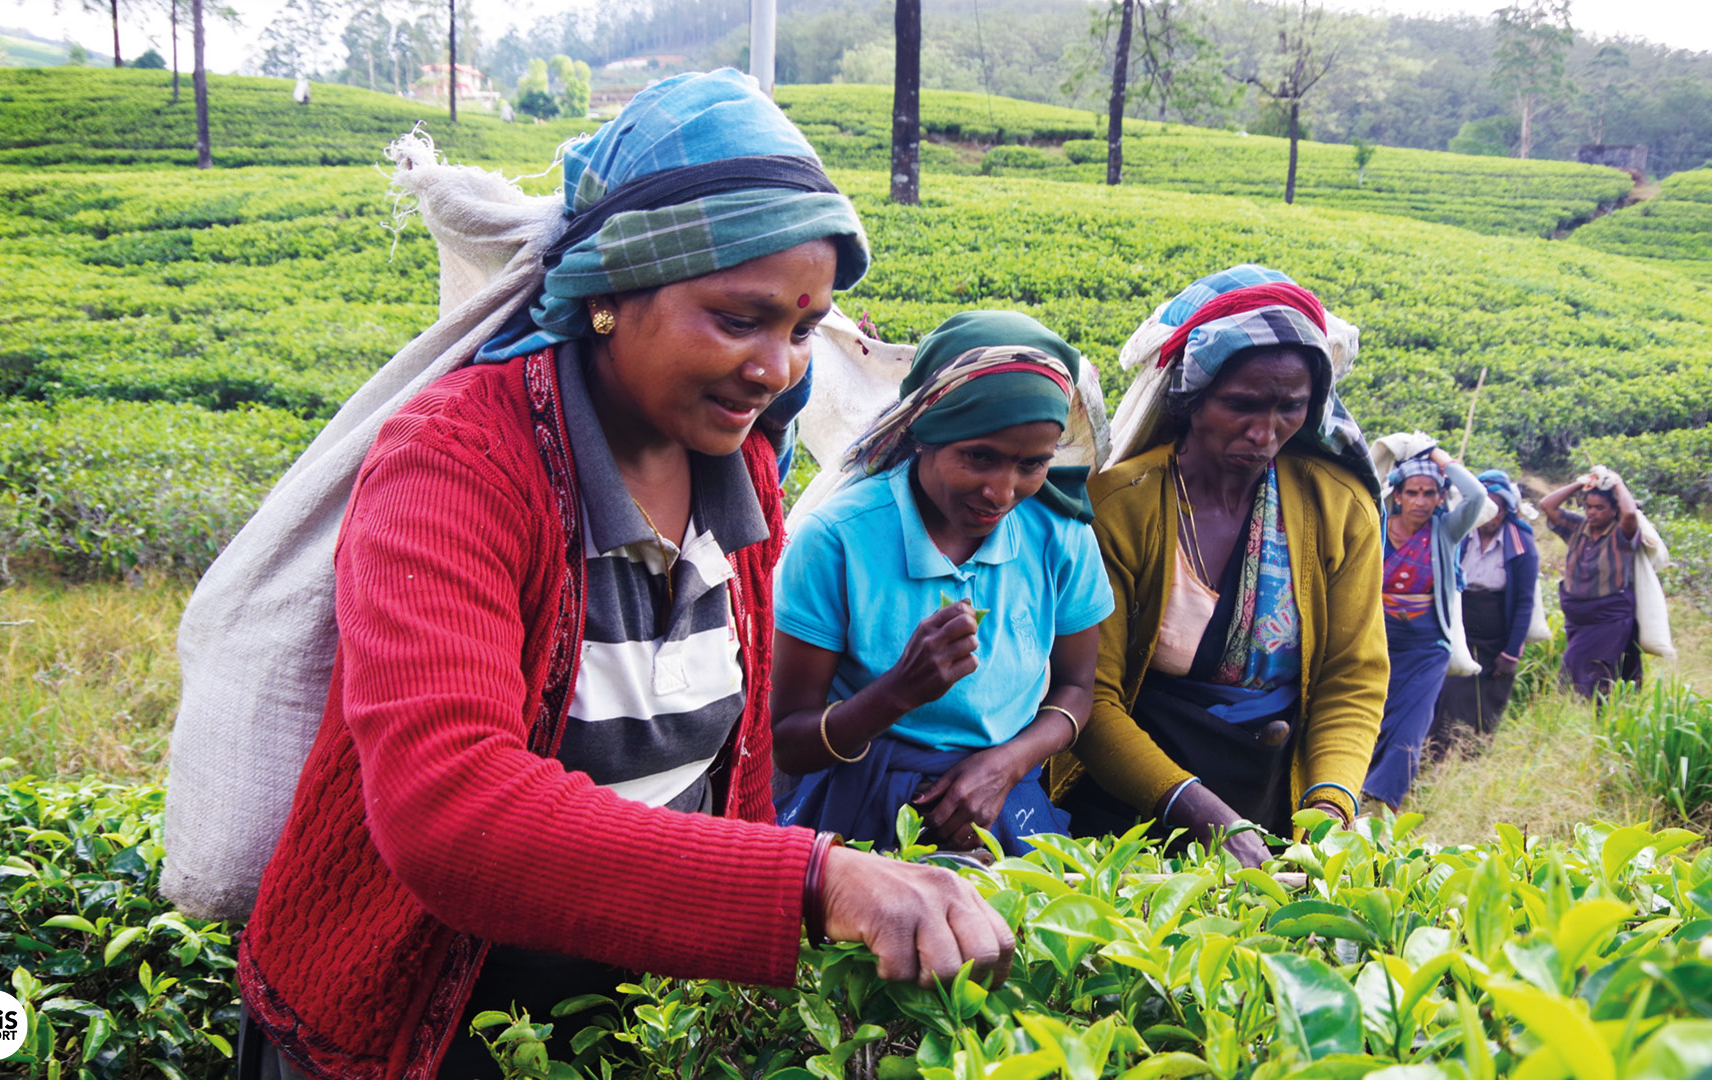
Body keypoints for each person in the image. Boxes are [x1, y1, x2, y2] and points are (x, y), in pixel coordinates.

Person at [234, 71, 1013, 1080]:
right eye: (741, 317)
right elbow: (449, 807)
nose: (779, 367)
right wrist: (813, 883)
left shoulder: (744, 468)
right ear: (611, 293)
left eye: (803, 326)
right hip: (424, 1024)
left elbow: (728, 775)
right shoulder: (458, 461)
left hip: (629, 1015)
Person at [1049, 266, 1388, 867]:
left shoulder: (1337, 508)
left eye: (1290, 407)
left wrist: (1330, 813)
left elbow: (1350, 676)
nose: (1265, 432)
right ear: (1192, 397)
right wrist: (1198, 809)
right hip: (1130, 799)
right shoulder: (1123, 506)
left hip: (1273, 793)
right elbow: (1090, 696)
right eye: (1241, 405)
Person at [771, 311, 1115, 855]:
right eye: (979, 457)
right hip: (859, 802)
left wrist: (1006, 765)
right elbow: (790, 742)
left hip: (1006, 800)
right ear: (924, 434)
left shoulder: (1060, 535)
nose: (1001, 493)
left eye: (1032, 464)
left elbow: (1076, 690)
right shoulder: (837, 540)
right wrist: (899, 691)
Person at [1362, 447, 1489, 811]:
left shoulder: (1445, 531)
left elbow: (1477, 495)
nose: (1420, 501)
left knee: (1411, 726)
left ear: (1440, 497)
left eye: (1429, 493)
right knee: (1369, 715)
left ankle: (1382, 801)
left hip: (1426, 646)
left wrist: (1439, 456)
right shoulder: (1377, 525)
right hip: (1377, 639)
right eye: (1412, 493)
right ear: (1396, 495)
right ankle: (1352, 786)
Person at [1429, 469, 1539, 759]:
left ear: (1506, 511)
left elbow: (1524, 602)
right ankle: (1436, 757)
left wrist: (1511, 652)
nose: (1491, 517)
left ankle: (1471, 759)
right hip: (1463, 629)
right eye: (1486, 508)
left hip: (1497, 636)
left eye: (1498, 509)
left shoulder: (1520, 545)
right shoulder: (1463, 535)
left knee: (1486, 702)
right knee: (1449, 696)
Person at [1540, 468, 1644, 699]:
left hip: (1608, 616)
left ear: (1613, 509)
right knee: (1601, 670)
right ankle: (1603, 713)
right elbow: (1547, 505)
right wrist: (1581, 484)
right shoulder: (1577, 527)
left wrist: (1617, 482)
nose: (1592, 513)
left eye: (1599, 508)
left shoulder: (1621, 533)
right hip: (1578, 617)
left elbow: (1630, 515)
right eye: (1588, 506)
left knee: (1579, 666)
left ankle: (1580, 709)